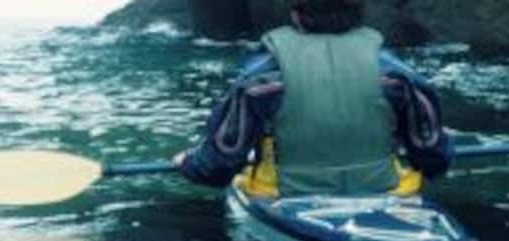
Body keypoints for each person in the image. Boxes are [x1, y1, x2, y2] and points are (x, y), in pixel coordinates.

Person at [174, 0, 452, 198]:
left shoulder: (261, 78)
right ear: (358, 13)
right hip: (387, 189)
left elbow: (219, 166)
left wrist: (188, 163)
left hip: (281, 195)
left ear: (296, 15)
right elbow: (433, 159)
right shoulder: (398, 75)